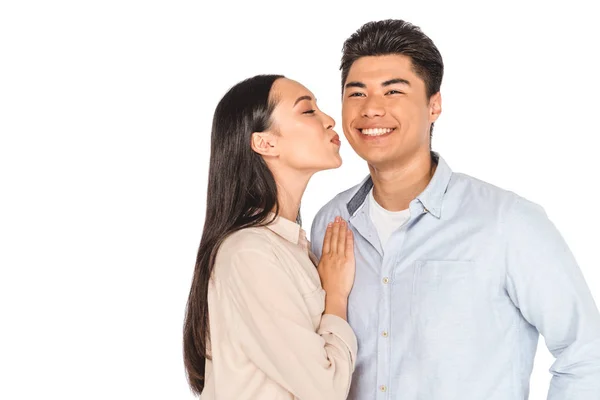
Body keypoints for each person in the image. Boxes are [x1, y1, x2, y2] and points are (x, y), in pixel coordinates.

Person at [310, 19, 600, 399]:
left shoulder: (507, 222)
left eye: (393, 91)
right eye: (357, 93)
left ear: (434, 105)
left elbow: (586, 354)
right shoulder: (329, 224)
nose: (372, 109)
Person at [183, 74, 357, 400]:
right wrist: (335, 297)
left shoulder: (291, 247)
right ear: (265, 142)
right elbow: (326, 390)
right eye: (308, 112)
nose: (330, 119)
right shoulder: (249, 253)